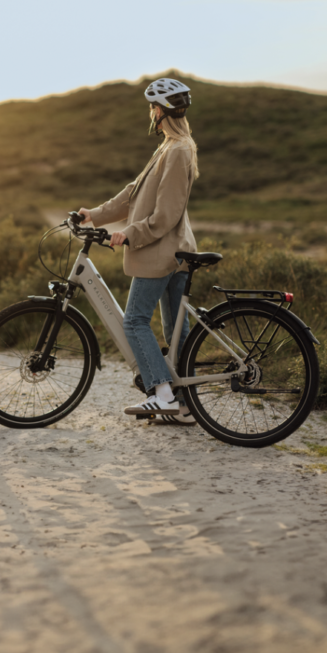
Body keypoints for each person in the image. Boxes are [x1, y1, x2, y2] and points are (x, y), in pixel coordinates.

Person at [78, 78, 199, 422]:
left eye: (152, 107)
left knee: (134, 322)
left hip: (162, 252)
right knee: (177, 329)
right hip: (175, 250)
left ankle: (162, 394)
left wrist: (130, 234)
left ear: (160, 111)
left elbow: (165, 215)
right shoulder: (170, 147)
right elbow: (134, 194)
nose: (151, 113)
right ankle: (185, 404)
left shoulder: (177, 151)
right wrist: (96, 216)